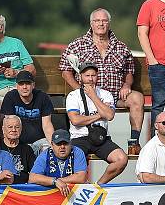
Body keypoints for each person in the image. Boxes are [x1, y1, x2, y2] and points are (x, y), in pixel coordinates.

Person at [59, 8, 144, 155]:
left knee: (137, 97)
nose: (101, 24)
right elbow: (65, 70)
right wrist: (80, 91)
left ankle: (134, 142)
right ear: (91, 23)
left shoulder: (121, 47)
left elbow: (129, 71)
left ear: (109, 23)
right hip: (89, 96)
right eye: (97, 21)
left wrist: (127, 84)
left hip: (115, 96)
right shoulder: (77, 45)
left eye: (104, 21)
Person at [65, 63, 127, 184]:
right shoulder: (73, 96)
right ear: (80, 77)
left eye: (93, 75)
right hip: (79, 137)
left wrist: (93, 96)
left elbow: (109, 115)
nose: (90, 79)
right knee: (75, 168)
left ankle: (99, 186)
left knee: (121, 159)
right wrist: (99, 115)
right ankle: (84, 188)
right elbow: (76, 120)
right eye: (87, 75)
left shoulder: (105, 94)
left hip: (101, 137)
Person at [0, 71, 54, 153]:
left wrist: (53, 145)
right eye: (21, 84)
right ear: (16, 86)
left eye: (28, 83)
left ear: (33, 85)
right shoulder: (10, 97)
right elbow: (9, 125)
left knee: (49, 150)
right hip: (18, 142)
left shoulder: (42, 97)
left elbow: (47, 125)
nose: (24, 87)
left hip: (39, 141)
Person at [29, 129, 88, 197]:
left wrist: (59, 181)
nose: (62, 147)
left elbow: (81, 177)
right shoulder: (45, 155)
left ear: (70, 143)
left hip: (74, 197)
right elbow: (32, 178)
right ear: (52, 144)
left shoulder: (77, 152)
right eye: (58, 144)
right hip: (50, 197)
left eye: (65, 143)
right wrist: (55, 181)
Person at [0, 115, 36, 184]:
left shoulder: (27, 149)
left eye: (17, 127)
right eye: (10, 127)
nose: (13, 130)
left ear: (21, 129)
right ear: (3, 129)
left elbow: (34, 173)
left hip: (20, 188)